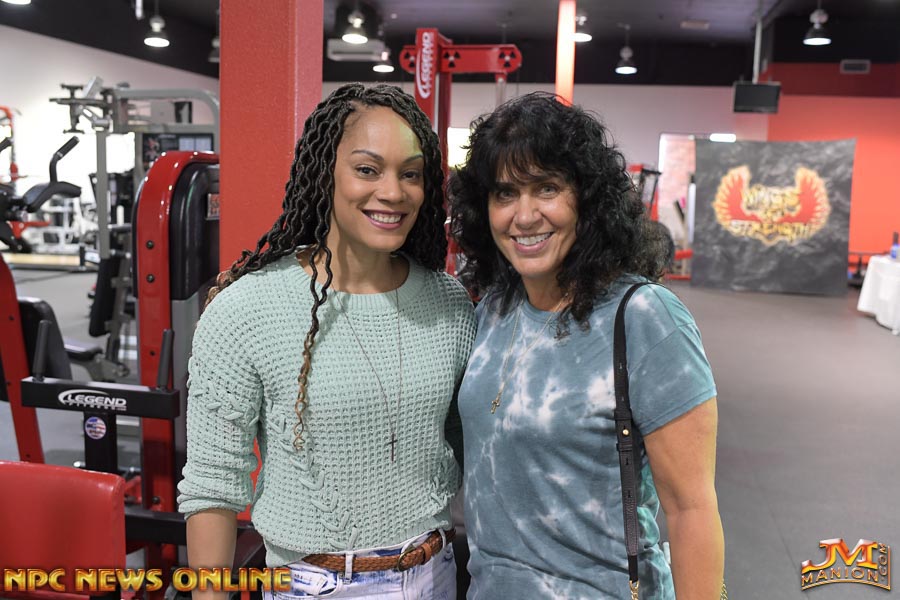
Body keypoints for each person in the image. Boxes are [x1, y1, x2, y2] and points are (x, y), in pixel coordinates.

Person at [177, 83, 476, 600]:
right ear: (325, 174)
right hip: (315, 584)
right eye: (367, 169)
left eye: (410, 174)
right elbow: (212, 485)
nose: (394, 192)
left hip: (435, 572)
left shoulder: (448, 302)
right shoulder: (247, 309)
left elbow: (468, 443)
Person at [449, 93, 723, 599]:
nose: (524, 215)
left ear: (587, 199)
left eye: (547, 188)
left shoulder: (643, 317)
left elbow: (692, 510)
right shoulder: (493, 309)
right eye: (505, 193)